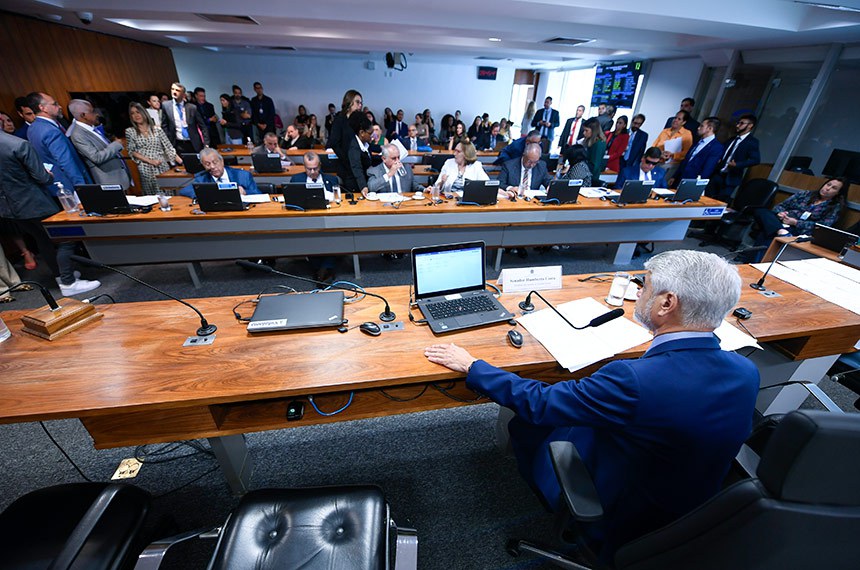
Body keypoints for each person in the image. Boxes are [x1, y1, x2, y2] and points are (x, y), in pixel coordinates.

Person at [424, 249, 759, 559]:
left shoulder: (633, 380)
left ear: (667, 303)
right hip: (694, 506)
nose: (639, 293)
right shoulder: (746, 371)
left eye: (644, 287)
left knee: (528, 419)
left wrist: (474, 366)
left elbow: (542, 402)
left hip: (623, 510)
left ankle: (555, 502)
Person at [0, 129, 101, 295]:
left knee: (42, 240)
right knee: (66, 238)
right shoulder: (18, 144)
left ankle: (61, 276)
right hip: (34, 203)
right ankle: (68, 283)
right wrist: (49, 175)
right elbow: (42, 178)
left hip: (9, 208)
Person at [746, 177, 848, 262]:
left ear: (838, 193)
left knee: (768, 231)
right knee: (761, 211)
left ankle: (755, 261)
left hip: (800, 230)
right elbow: (780, 206)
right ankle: (781, 231)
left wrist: (796, 222)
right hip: (782, 222)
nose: (828, 188)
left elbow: (823, 226)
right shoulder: (805, 194)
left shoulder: (835, 207)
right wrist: (781, 213)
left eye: (834, 188)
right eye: (828, 184)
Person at [25, 92, 92, 194]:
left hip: (56, 185)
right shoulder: (50, 131)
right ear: (42, 108)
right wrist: (82, 188)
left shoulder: (32, 128)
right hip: (71, 186)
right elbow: (66, 162)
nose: (59, 106)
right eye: (54, 104)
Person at [291, 151, 339, 281]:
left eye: (315, 168)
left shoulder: (331, 179)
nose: (312, 172)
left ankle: (324, 268)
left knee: (334, 235)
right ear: (304, 167)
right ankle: (321, 268)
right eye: (309, 169)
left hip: (328, 218)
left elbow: (339, 199)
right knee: (309, 237)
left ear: (320, 165)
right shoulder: (296, 180)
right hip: (305, 219)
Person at [67, 99, 131, 190]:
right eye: (92, 111)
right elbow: (96, 157)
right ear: (83, 115)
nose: (97, 114)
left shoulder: (92, 127)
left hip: (119, 176)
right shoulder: (78, 134)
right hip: (109, 180)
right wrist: (116, 144)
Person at [126, 101, 180, 196]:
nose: (136, 115)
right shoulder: (130, 131)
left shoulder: (157, 130)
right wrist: (150, 161)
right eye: (132, 113)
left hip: (161, 166)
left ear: (144, 112)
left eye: (138, 112)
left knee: (168, 194)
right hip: (145, 169)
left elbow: (169, 148)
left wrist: (182, 162)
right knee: (152, 196)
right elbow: (132, 151)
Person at [705, 114, 761, 201]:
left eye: (741, 123)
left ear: (750, 126)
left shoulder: (752, 142)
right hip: (718, 174)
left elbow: (756, 160)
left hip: (731, 178)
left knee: (720, 202)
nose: (737, 125)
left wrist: (737, 164)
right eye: (738, 123)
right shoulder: (732, 139)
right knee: (706, 198)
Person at [179, 148, 259, 199]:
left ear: (222, 161)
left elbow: (258, 194)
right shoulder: (202, 178)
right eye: (207, 164)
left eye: (215, 162)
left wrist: (245, 192)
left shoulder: (243, 175)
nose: (212, 167)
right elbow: (184, 191)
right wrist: (207, 193)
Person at [670, 117, 723, 188]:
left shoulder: (716, 147)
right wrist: (675, 176)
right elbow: (686, 160)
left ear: (710, 128)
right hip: (680, 179)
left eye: (702, 126)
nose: (698, 128)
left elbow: (707, 169)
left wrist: (695, 185)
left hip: (692, 183)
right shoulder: (697, 141)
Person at [327, 89, 363, 186]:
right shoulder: (340, 120)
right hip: (346, 165)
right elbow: (334, 143)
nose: (360, 105)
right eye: (357, 102)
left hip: (360, 164)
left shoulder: (360, 120)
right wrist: (348, 159)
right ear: (349, 102)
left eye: (361, 103)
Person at [161, 82, 209, 153]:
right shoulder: (166, 106)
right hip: (177, 143)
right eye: (172, 89)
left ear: (183, 94)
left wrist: (206, 144)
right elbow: (164, 125)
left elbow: (203, 126)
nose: (174, 92)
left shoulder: (192, 107)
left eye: (177, 90)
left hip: (193, 143)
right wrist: (168, 142)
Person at [652, 110, 693, 181]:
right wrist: (660, 153)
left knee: (662, 185)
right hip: (658, 161)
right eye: (675, 118)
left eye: (679, 119)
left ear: (683, 122)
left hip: (672, 165)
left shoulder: (687, 134)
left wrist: (672, 155)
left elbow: (687, 153)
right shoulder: (665, 131)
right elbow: (654, 146)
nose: (675, 120)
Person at [340, 112, 373, 198]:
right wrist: (363, 186)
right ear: (362, 133)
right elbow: (356, 167)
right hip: (355, 186)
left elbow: (370, 157)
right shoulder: (354, 147)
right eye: (370, 133)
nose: (372, 136)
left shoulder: (365, 143)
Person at [580, 118, 607, 183]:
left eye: (586, 130)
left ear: (593, 131)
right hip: (586, 174)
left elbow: (595, 165)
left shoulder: (599, 144)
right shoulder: (590, 141)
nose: (584, 133)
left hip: (590, 177)